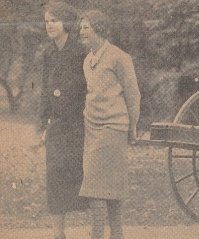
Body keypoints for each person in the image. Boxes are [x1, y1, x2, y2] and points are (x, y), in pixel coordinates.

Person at [78, 10, 141, 239]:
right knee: (107, 188)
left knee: (98, 187)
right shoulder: (88, 61)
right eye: (81, 27)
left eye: (87, 27)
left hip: (113, 129)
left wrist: (133, 125)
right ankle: (117, 236)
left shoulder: (119, 57)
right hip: (92, 128)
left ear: (100, 29)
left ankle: (98, 236)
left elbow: (133, 95)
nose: (81, 31)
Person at [40, 2, 89, 239]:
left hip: (81, 125)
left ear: (66, 23)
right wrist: (43, 125)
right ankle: (59, 234)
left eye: (54, 20)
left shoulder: (81, 52)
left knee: (87, 179)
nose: (49, 25)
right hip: (57, 127)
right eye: (47, 21)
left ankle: (97, 230)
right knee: (55, 178)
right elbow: (44, 92)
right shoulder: (48, 53)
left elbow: (92, 88)